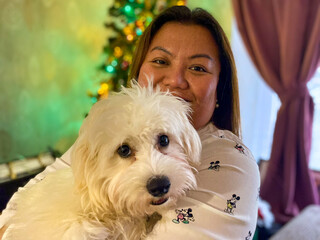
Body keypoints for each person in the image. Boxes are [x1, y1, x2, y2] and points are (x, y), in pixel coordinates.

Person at [0, 6, 260, 239]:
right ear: (138, 72)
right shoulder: (102, 133)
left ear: (219, 88)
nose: (175, 80)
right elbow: (15, 210)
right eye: (160, 61)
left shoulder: (231, 163)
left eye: (198, 68)